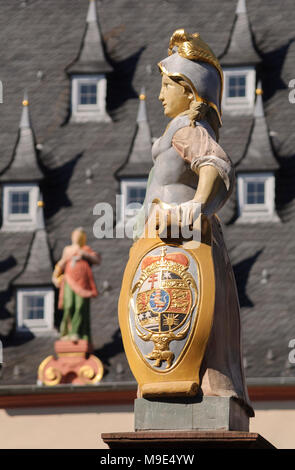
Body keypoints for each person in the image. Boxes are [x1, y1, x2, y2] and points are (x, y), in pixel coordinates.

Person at [133, 29, 254, 415]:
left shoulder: (189, 128)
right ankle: (170, 378)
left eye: (168, 85)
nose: (160, 94)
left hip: (185, 237)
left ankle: (203, 384)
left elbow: (216, 165)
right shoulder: (174, 129)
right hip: (164, 238)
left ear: (189, 91)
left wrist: (197, 206)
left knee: (199, 316)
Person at [52, 227, 101, 342]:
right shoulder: (67, 249)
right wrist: (55, 275)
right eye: (76, 235)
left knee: (80, 306)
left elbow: (97, 259)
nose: (77, 238)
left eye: (79, 236)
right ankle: (65, 332)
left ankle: (76, 332)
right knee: (68, 306)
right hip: (69, 280)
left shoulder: (85, 249)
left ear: (82, 238)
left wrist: (84, 254)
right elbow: (62, 262)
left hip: (82, 283)